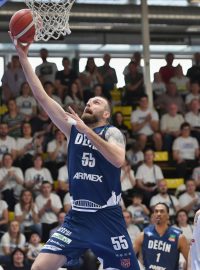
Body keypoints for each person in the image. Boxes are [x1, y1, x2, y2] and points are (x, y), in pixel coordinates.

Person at [10, 35, 140, 270]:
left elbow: (118, 159)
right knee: (39, 267)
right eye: (89, 102)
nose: (90, 104)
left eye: (96, 103)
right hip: (77, 217)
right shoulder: (73, 128)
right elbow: (42, 96)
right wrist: (22, 55)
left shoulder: (112, 133)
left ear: (106, 113)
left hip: (107, 217)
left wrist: (86, 131)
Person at [134, 202, 189, 270]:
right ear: (153, 215)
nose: (158, 214)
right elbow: (130, 257)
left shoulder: (179, 237)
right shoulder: (143, 235)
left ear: (168, 215)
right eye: (156, 211)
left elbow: (189, 260)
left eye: (162, 211)